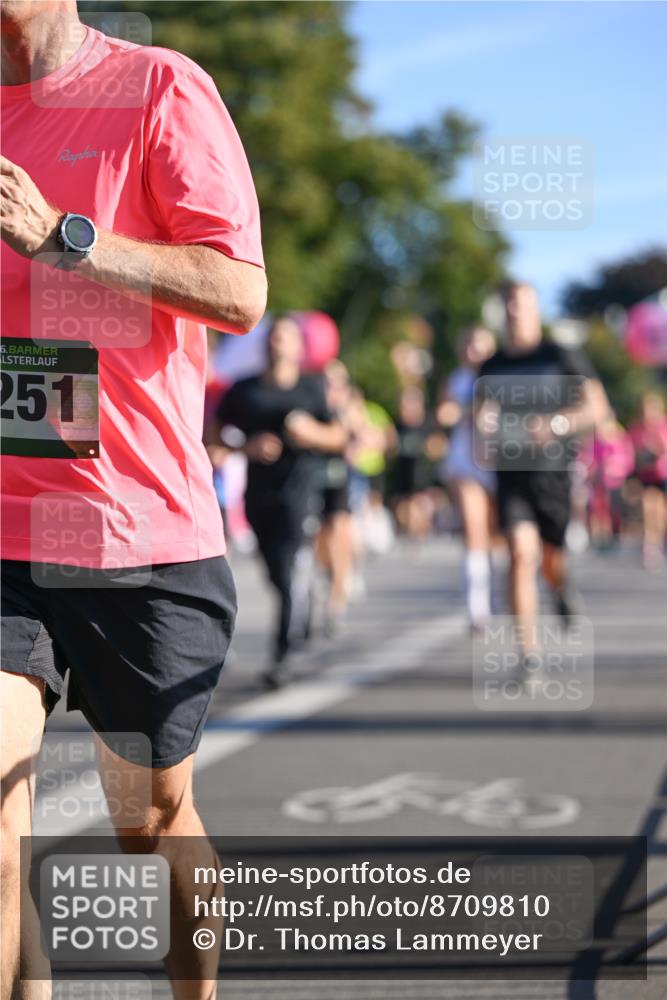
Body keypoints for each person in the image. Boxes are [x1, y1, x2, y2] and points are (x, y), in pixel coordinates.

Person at [1, 3, 267, 996]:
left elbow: (237, 290)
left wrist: (63, 239)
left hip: (134, 525)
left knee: (146, 821)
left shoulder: (157, 88)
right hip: (5, 523)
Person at [208, 316, 346, 686]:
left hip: (300, 491)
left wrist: (311, 432)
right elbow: (215, 435)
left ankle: (283, 653)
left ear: (299, 348)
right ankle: (301, 600)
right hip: (258, 493)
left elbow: (339, 437)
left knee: (286, 569)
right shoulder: (244, 390)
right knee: (274, 571)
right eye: (272, 337)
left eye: (285, 337)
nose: (276, 343)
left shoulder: (312, 389)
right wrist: (245, 447)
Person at [477, 282, 608, 668]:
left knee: (552, 557)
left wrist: (557, 423)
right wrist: (483, 424)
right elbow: (481, 415)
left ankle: (561, 588)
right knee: (520, 554)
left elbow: (597, 408)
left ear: (536, 309)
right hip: (510, 473)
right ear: (503, 311)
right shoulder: (493, 364)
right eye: (510, 305)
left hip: (554, 473)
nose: (516, 312)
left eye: (523, 304)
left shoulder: (561, 355)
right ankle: (529, 653)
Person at [438, 326, 497, 630]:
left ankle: (496, 590)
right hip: (466, 461)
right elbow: (444, 413)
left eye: (482, 346)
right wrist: (468, 410)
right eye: (471, 345)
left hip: (499, 462)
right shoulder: (458, 379)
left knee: (496, 533)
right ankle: (477, 607)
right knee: (473, 530)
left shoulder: (503, 376)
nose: (476, 352)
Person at [628, 392, 667, 570]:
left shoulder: (663, 426)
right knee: (648, 507)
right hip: (645, 476)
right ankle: (650, 545)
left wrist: (657, 446)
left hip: (662, 474)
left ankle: (658, 540)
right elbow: (630, 454)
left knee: (659, 512)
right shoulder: (636, 429)